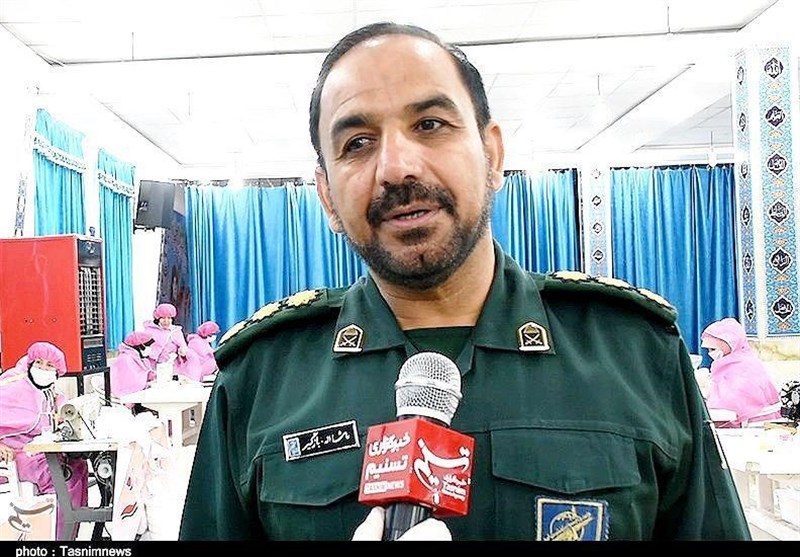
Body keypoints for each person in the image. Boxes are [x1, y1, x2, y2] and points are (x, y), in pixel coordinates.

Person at [180, 22, 750, 541]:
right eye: (357, 143)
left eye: (430, 125)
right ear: (327, 196)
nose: (396, 167)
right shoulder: (260, 379)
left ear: (492, 155)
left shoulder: (633, 353)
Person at [0, 341, 89, 540]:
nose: (42, 368)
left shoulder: (50, 392)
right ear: (30, 363)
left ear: (58, 372)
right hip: (17, 455)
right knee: (59, 476)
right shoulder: (12, 387)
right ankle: (53, 535)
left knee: (78, 466)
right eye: (39, 363)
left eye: (49, 365)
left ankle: (68, 533)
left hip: (36, 451)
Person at [699, 317, 781, 428]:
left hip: (753, 426)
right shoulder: (727, 364)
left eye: (713, 349)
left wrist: (707, 392)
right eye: (709, 350)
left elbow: (734, 401)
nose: (710, 354)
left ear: (729, 345)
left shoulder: (744, 366)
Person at [143, 302, 198, 381]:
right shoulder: (150, 330)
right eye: (163, 318)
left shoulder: (175, 331)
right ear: (157, 319)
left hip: (171, 366)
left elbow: (183, 346)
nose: (166, 321)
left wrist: (182, 352)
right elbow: (144, 347)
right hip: (152, 366)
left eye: (169, 318)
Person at [109, 330, 156, 400]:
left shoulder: (137, 358)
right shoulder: (125, 359)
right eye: (148, 345)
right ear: (140, 346)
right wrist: (147, 384)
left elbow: (140, 374)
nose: (150, 348)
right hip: (129, 397)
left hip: (138, 394)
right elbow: (130, 384)